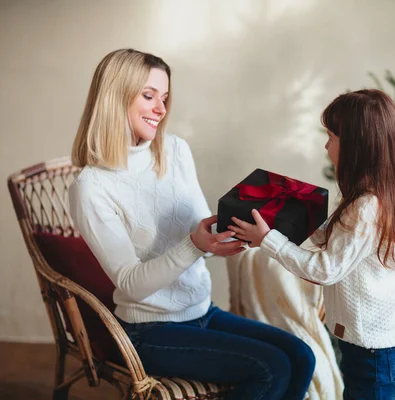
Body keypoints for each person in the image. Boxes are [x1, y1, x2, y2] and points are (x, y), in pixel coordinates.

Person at [68, 48, 315, 400]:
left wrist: (235, 235)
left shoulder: (175, 150)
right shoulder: (91, 187)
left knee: (301, 356)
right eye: (149, 96)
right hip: (149, 330)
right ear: (114, 96)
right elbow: (131, 284)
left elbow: (203, 233)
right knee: (270, 367)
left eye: (164, 97)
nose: (161, 109)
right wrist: (196, 245)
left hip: (201, 311)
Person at [230, 89, 395, 400]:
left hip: (374, 344)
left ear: (357, 148)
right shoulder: (371, 195)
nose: (326, 144)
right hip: (371, 338)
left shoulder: (367, 207)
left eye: (331, 137)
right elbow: (335, 237)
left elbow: (325, 268)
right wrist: (287, 213)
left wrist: (268, 240)